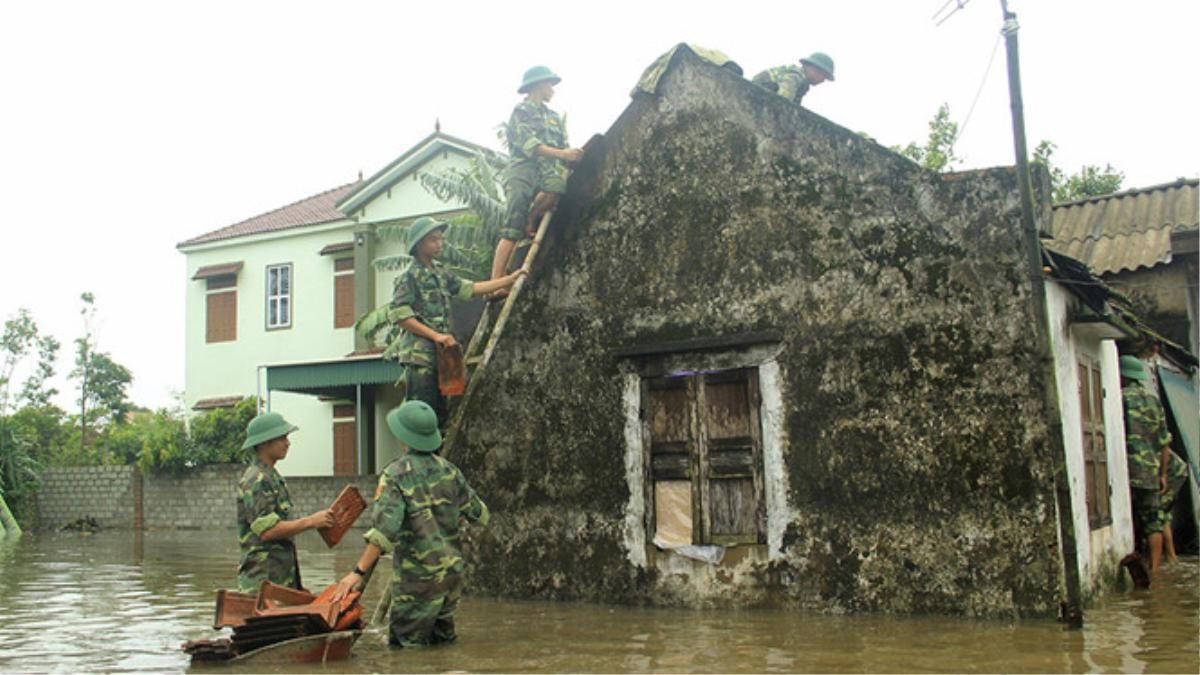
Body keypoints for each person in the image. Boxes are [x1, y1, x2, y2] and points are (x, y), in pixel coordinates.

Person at [332, 400, 489, 648]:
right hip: (450, 578)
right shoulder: (450, 471)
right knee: (443, 646)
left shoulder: (395, 475)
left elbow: (383, 534)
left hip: (417, 583)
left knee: (408, 654)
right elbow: (481, 515)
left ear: (401, 435)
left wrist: (357, 573)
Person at [393, 216, 525, 427]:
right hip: (421, 357)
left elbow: (470, 289)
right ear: (419, 243)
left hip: (446, 355)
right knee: (422, 415)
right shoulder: (409, 277)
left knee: (443, 416)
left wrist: (509, 279)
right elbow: (401, 316)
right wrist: (436, 336)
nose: (439, 244)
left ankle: (437, 459)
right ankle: (419, 460)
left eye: (441, 239)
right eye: (433, 239)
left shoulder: (441, 273)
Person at [489, 65, 585, 293]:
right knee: (512, 228)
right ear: (538, 85)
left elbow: (563, 145)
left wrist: (571, 156)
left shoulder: (553, 118)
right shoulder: (521, 111)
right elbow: (530, 146)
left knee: (556, 187)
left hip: (547, 172)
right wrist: (562, 154)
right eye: (549, 84)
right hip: (523, 171)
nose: (552, 89)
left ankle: (531, 218)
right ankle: (494, 283)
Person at [236, 411, 335, 593]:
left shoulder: (272, 477)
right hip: (262, 585)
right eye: (282, 438)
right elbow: (268, 531)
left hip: (280, 582)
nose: (288, 443)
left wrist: (296, 587)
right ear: (265, 442)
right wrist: (311, 521)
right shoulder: (256, 479)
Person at [1119, 355, 1172, 573]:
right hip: (1150, 470)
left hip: (1126, 470)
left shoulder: (1120, 397)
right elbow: (1164, 444)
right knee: (1154, 521)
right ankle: (1156, 571)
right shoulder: (1153, 401)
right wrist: (1163, 475)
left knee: (1128, 516)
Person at [750, 51, 835, 105]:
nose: (822, 79)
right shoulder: (796, 75)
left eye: (825, 77)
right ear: (810, 67)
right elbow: (784, 97)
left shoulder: (803, 83)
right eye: (821, 74)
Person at [1161, 449, 1189, 564]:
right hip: (1173, 470)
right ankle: (1171, 557)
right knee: (1161, 513)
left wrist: (1163, 475)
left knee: (1159, 513)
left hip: (1174, 472)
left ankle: (1171, 556)